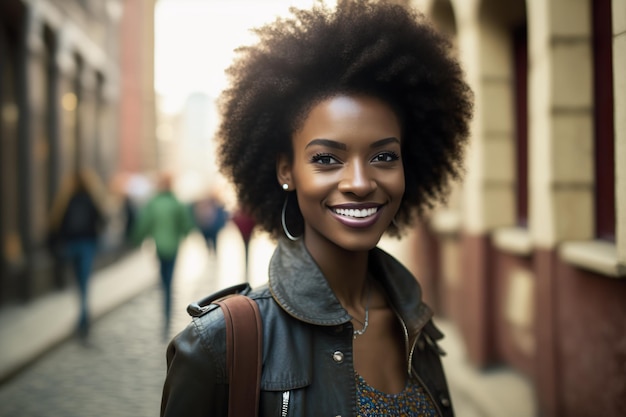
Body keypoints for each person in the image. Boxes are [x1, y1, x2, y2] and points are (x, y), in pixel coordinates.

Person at [161, 1, 473, 416]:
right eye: (327, 159)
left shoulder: (416, 325)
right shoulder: (217, 345)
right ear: (286, 169)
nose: (361, 183)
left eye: (384, 157)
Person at [131, 172, 195, 336]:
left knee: (164, 278)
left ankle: (164, 312)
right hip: (173, 246)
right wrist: (186, 233)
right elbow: (186, 223)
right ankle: (167, 313)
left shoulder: (154, 203)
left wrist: (136, 239)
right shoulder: (176, 202)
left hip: (159, 246)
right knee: (170, 280)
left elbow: (144, 223)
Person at [48, 169, 107, 340]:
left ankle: (82, 317)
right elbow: (102, 221)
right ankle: (83, 317)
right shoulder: (91, 199)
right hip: (87, 245)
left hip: (71, 246)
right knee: (84, 282)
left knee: (78, 281)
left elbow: (57, 224)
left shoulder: (66, 200)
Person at [191, 190, 228, 256]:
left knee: (212, 241)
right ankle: (211, 253)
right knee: (212, 241)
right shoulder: (214, 205)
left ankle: (211, 253)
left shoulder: (212, 205)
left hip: (210, 228)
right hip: (209, 228)